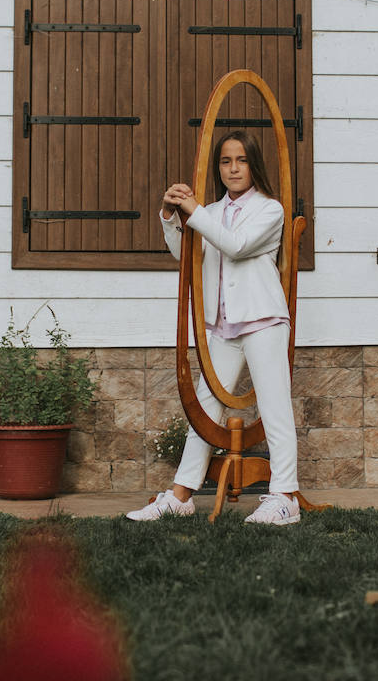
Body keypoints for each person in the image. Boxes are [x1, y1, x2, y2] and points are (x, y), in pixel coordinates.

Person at [126, 131, 300, 526]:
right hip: (223, 325)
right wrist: (172, 217)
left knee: (274, 407)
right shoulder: (213, 212)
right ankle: (182, 495)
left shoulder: (270, 210)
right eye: (225, 161)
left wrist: (194, 210)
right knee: (206, 410)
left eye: (241, 160)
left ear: (254, 164)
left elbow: (236, 246)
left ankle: (285, 497)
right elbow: (188, 253)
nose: (233, 168)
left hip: (263, 321)